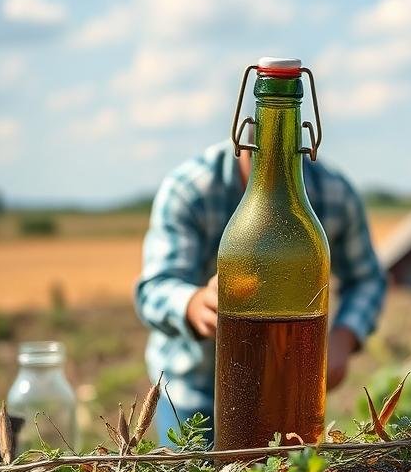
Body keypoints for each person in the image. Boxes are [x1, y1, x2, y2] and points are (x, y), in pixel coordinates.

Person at [135, 140, 387, 445]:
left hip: (287, 396)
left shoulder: (334, 193)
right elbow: (155, 287)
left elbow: (367, 279)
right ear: (244, 139)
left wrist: (343, 338)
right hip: (195, 392)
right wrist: (195, 305)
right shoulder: (190, 189)